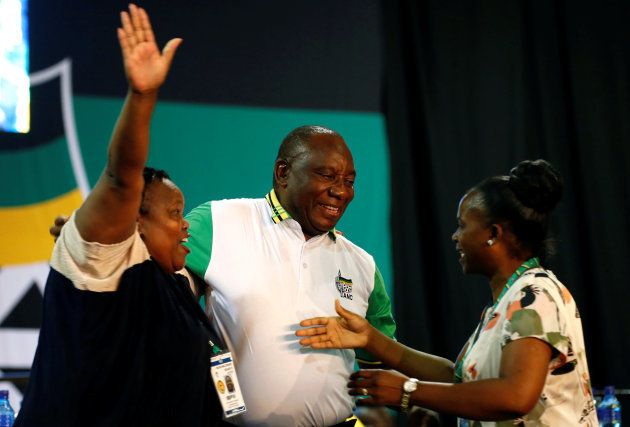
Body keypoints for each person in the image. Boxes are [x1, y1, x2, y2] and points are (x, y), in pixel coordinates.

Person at [17, 5, 227, 426]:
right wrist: (142, 95)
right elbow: (119, 179)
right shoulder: (105, 261)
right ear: (134, 221)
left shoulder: (177, 288)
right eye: (173, 213)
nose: (185, 224)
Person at [296, 159, 598, 426]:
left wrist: (408, 392)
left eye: (463, 225)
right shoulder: (508, 300)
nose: (455, 237)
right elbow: (460, 379)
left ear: (493, 234)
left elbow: (515, 396)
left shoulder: (535, 294)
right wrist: (370, 339)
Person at [184, 124, 397, 426]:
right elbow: (159, 290)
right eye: (327, 176)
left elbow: (380, 357)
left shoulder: (362, 264)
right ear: (283, 172)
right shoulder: (218, 222)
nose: (340, 191)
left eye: (349, 181)